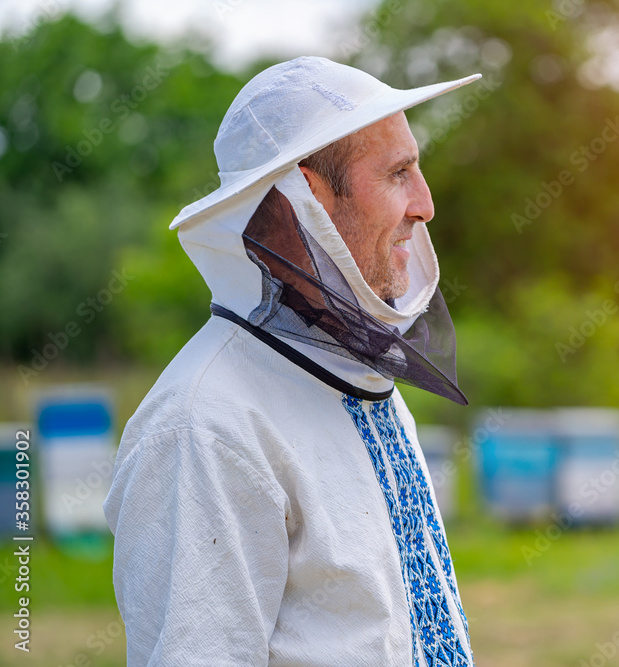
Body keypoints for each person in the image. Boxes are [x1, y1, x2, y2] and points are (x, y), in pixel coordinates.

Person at [103, 56, 482, 666]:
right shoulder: (205, 426)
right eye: (397, 174)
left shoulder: (359, 376)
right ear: (305, 197)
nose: (425, 203)